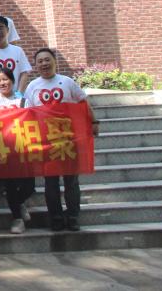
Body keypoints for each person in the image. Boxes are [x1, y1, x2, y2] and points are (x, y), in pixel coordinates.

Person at [23, 47, 99, 232]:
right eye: (40, 61)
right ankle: (56, 218)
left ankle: (73, 217)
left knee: (71, 181)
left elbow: (83, 102)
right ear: (36, 65)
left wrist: (94, 121)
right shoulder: (32, 86)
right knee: (50, 182)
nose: (44, 63)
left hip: (69, 139)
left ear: (54, 61)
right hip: (46, 141)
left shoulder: (67, 82)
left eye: (47, 59)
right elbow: (27, 113)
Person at [0, 67, 33, 234]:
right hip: (3, 149)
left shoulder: (23, 100)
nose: (2, 83)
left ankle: (19, 202)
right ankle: (17, 219)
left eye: (5, 79)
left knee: (29, 186)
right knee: (10, 185)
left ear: (13, 80)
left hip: (22, 147)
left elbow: (30, 119)